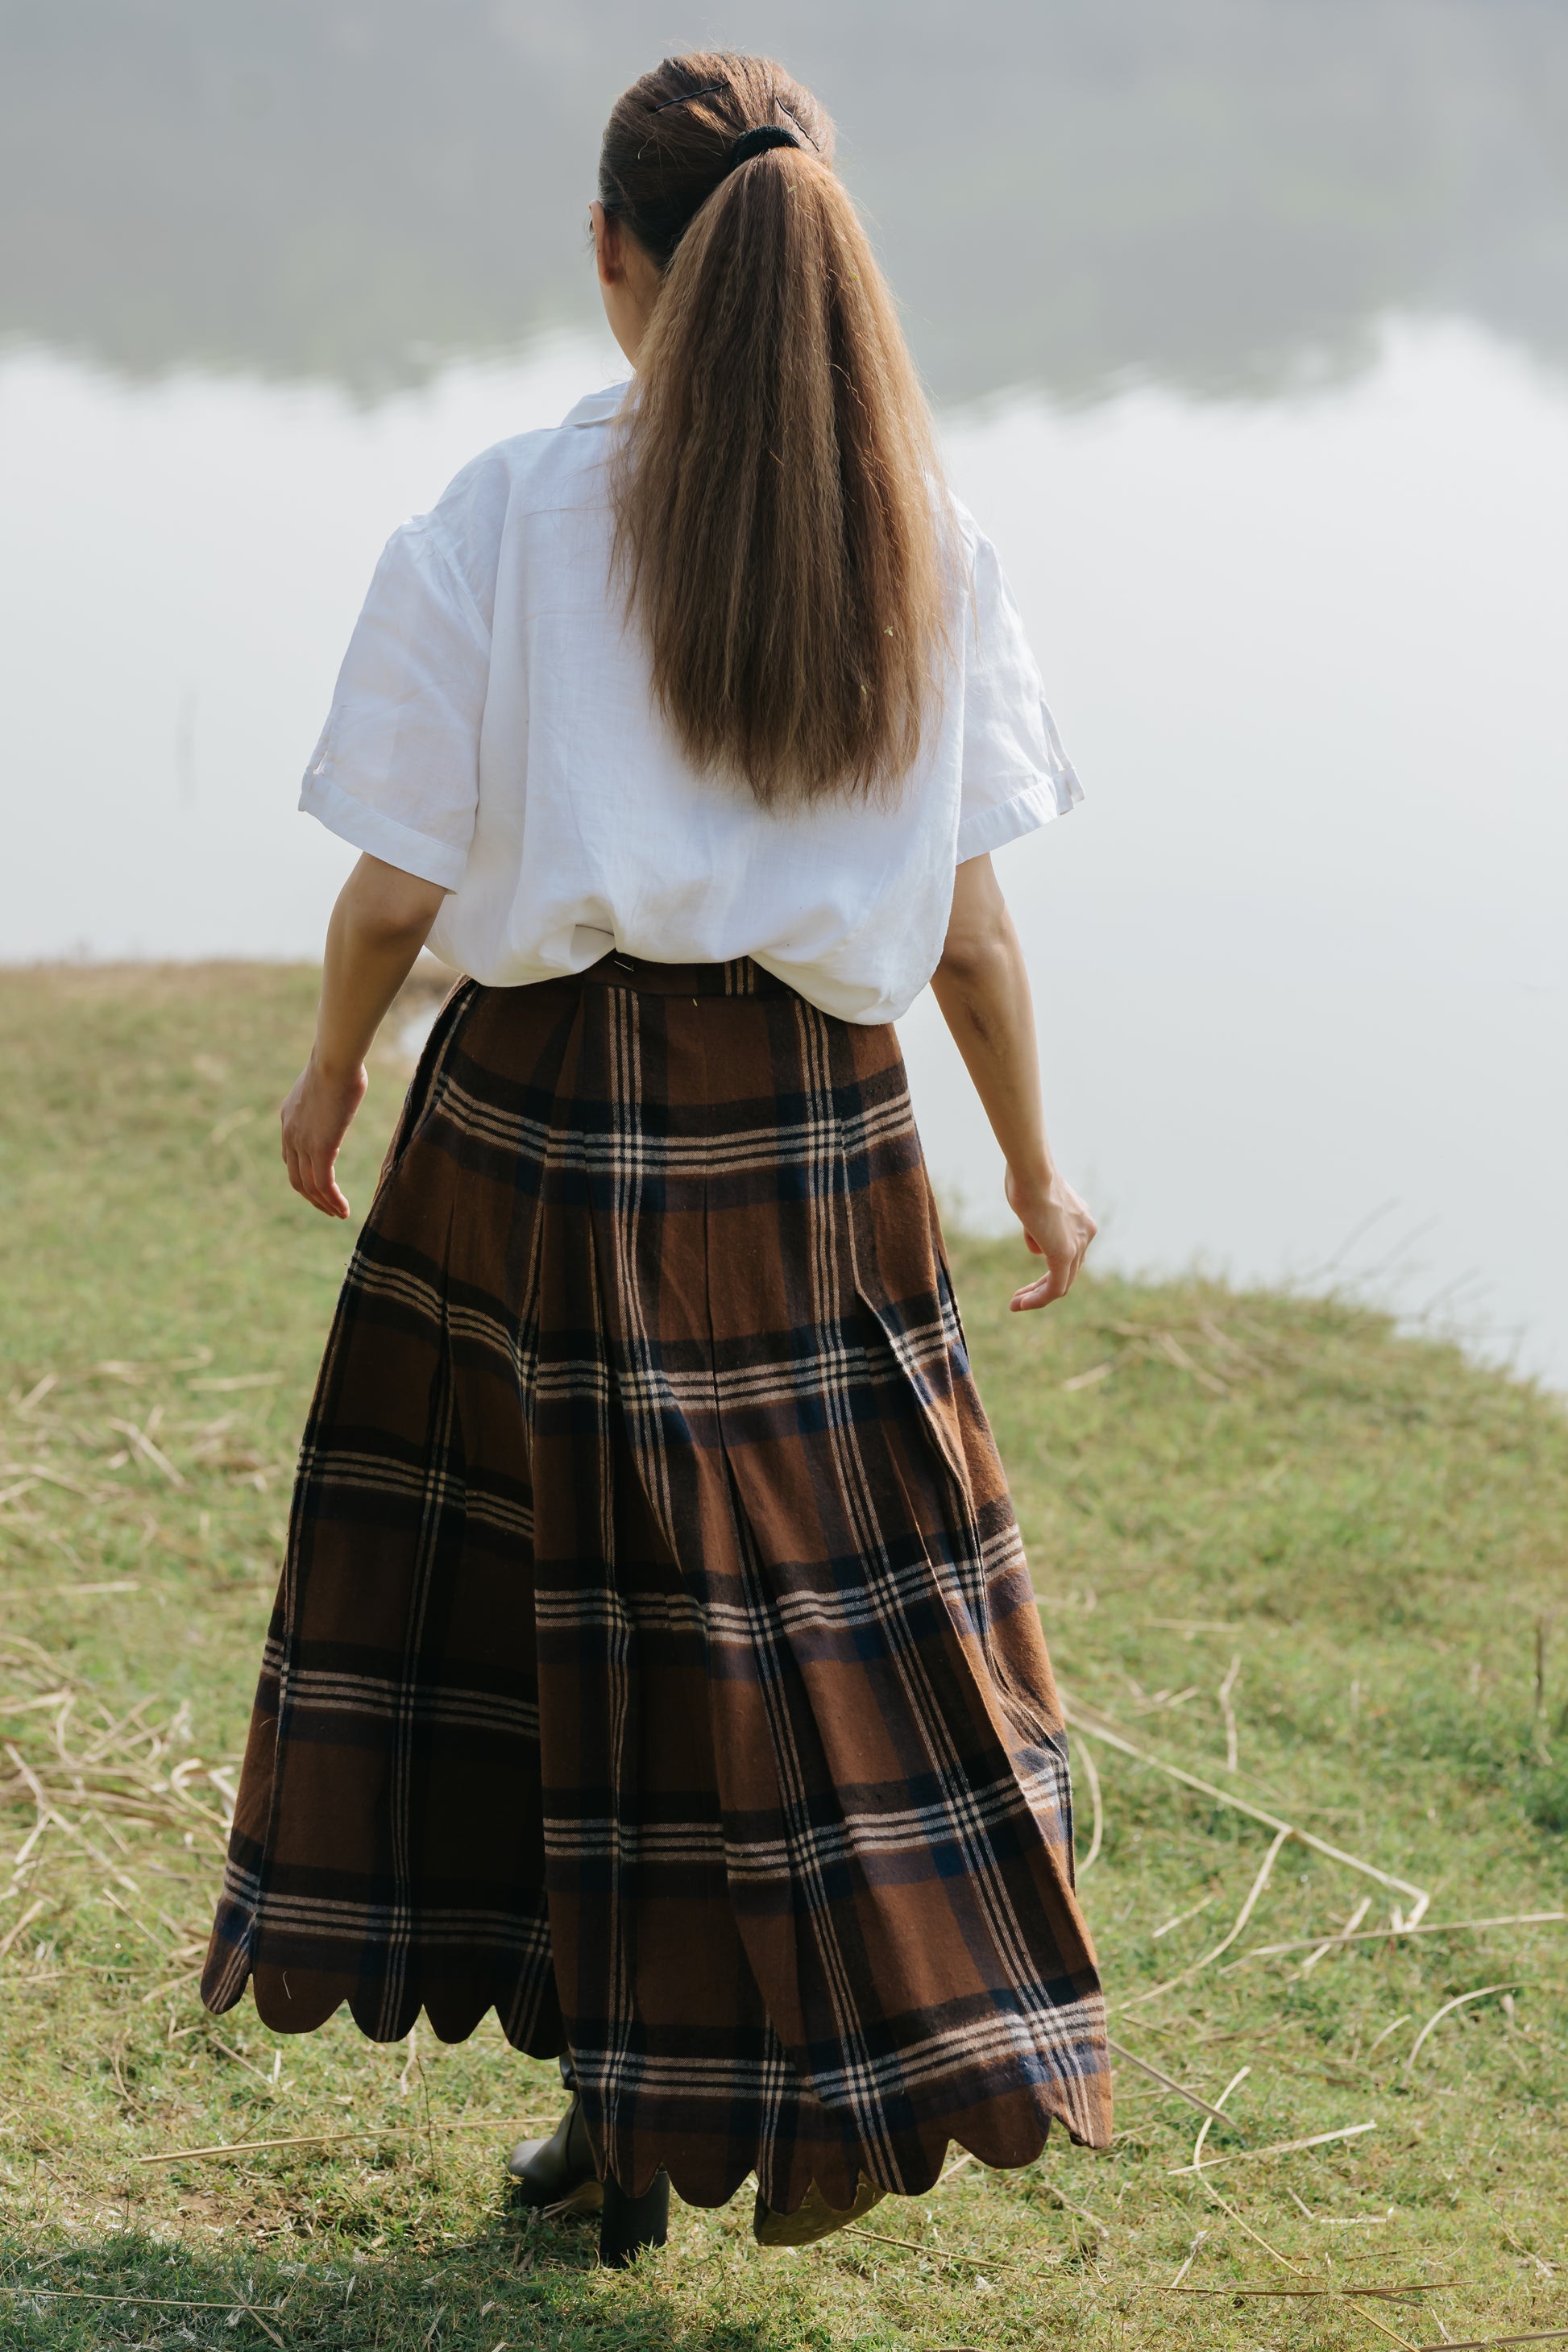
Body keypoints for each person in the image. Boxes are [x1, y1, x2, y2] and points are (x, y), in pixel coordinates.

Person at [201, 50, 1110, 2268]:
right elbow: (973, 925)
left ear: (609, 254)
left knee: (567, 1618)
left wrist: (332, 1071)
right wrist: (1033, 1167)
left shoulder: (507, 510)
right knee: (806, 1624)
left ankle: (638, 2119)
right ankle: (705, 2104)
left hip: (542, 1129)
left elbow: (399, 888)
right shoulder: (932, 527)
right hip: (818, 1137)